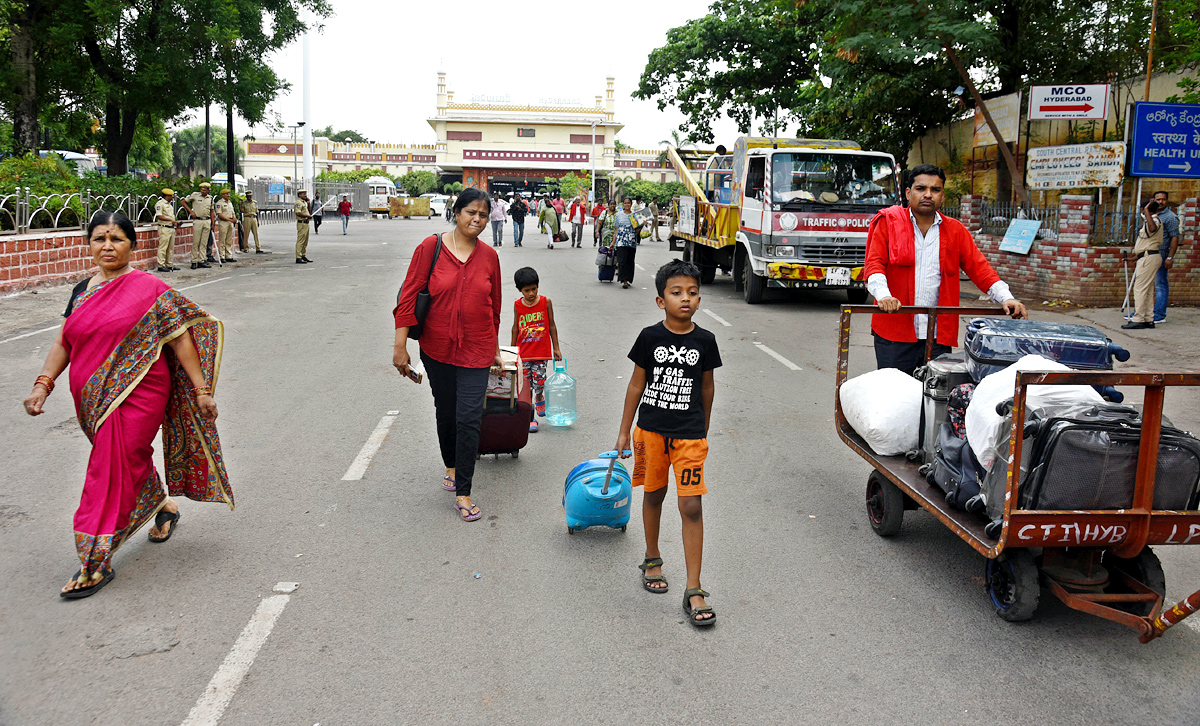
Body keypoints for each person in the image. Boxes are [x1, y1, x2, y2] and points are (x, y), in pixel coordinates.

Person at [22, 211, 231, 599]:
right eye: (99, 238)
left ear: (132, 245)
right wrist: (42, 385)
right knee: (121, 459)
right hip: (92, 398)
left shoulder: (150, 289)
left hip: (142, 391)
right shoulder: (82, 290)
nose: (107, 246)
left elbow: (181, 339)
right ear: (89, 243)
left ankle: (95, 557)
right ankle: (163, 505)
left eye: (116, 239)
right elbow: (64, 341)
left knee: (111, 463)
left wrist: (202, 390)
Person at [614, 259, 721, 627]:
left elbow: (707, 387)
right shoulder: (649, 337)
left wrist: (702, 429)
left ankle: (694, 588)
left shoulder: (705, 341)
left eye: (692, 292)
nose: (685, 299)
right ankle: (652, 556)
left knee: (691, 506)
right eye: (676, 293)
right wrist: (623, 431)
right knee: (654, 494)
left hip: (690, 437)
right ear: (661, 301)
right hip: (650, 433)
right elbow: (635, 384)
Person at [393, 188, 503, 522]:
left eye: (483, 215)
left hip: (477, 349)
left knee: (469, 417)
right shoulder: (431, 247)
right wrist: (400, 347)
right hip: (437, 348)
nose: (477, 220)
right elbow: (409, 296)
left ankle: (464, 492)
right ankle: (452, 466)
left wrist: (495, 348)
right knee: (447, 410)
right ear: (456, 212)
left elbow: (494, 306)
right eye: (471, 212)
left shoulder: (490, 257)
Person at [865, 164, 1026, 376]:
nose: (928, 195)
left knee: (935, 401)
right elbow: (874, 264)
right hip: (894, 333)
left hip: (938, 335)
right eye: (921, 188)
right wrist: (885, 296)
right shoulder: (888, 223)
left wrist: (1007, 298)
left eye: (935, 190)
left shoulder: (955, 230)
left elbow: (980, 268)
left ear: (942, 195)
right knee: (896, 400)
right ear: (908, 192)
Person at [510, 267, 562, 433]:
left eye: (534, 289)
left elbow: (552, 325)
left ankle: (539, 398)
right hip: (524, 353)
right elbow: (515, 328)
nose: (531, 293)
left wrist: (556, 348)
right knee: (525, 387)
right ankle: (529, 418)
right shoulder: (517, 305)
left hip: (540, 353)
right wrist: (512, 351)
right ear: (520, 290)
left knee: (539, 382)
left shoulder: (545, 302)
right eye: (527, 290)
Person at [1123, 199, 1163, 330]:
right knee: (1148, 289)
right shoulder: (1150, 221)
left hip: (1149, 258)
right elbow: (1145, 245)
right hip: (1147, 257)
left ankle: (1138, 318)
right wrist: (1134, 258)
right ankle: (1148, 318)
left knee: (1139, 289)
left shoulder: (1154, 220)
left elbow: (1152, 229)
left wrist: (1146, 212)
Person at [1152, 190, 1180, 324]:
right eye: (1158, 199)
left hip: (1161, 254)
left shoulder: (1170, 217)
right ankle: (1144, 312)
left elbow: (1174, 237)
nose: (1160, 202)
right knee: (1145, 284)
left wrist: (1170, 258)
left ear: (1167, 201)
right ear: (1154, 200)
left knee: (1160, 284)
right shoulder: (1150, 214)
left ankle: (1159, 314)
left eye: (1163, 199)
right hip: (1148, 254)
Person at [608, 197, 644, 288]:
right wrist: (613, 242)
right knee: (622, 261)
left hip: (631, 242)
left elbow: (636, 231)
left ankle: (628, 279)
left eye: (628, 203)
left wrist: (643, 225)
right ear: (623, 204)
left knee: (630, 261)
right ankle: (624, 280)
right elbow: (616, 229)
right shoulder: (619, 215)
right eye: (625, 203)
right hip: (621, 242)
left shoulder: (634, 215)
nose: (627, 205)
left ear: (631, 204)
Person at [180, 182, 214, 269]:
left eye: (204, 190)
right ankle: (194, 260)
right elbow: (183, 202)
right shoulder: (195, 195)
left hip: (207, 220)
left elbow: (212, 211)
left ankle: (202, 260)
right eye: (201, 189)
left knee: (204, 242)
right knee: (196, 242)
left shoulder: (210, 198)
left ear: (208, 190)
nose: (202, 191)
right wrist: (190, 212)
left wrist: (213, 223)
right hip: (198, 220)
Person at [154, 188, 180, 272]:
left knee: (170, 248)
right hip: (164, 228)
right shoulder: (160, 204)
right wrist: (170, 220)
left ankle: (169, 264)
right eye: (170, 196)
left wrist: (174, 222)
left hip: (171, 228)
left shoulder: (169, 205)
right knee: (163, 247)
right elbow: (159, 216)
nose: (172, 197)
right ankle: (160, 265)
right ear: (166, 196)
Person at [215, 188, 237, 263]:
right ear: (223, 195)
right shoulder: (219, 203)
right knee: (222, 240)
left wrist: (234, 218)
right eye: (226, 194)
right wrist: (230, 220)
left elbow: (232, 212)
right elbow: (219, 214)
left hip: (230, 222)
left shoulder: (230, 203)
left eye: (228, 194)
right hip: (223, 222)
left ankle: (228, 255)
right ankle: (222, 256)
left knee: (229, 240)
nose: (228, 195)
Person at [294, 190, 313, 263]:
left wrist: (308, 204)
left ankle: (303, 255)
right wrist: (307, 216)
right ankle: (298, 257)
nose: (305, 195)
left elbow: (309, 212)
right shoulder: (298, 203)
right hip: (301, 223)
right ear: (300, 195)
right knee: (301, 241)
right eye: (304, 194)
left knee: (305, 241)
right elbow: (298, 213)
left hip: (306, 223)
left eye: (305, 194)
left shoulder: (303, 203)